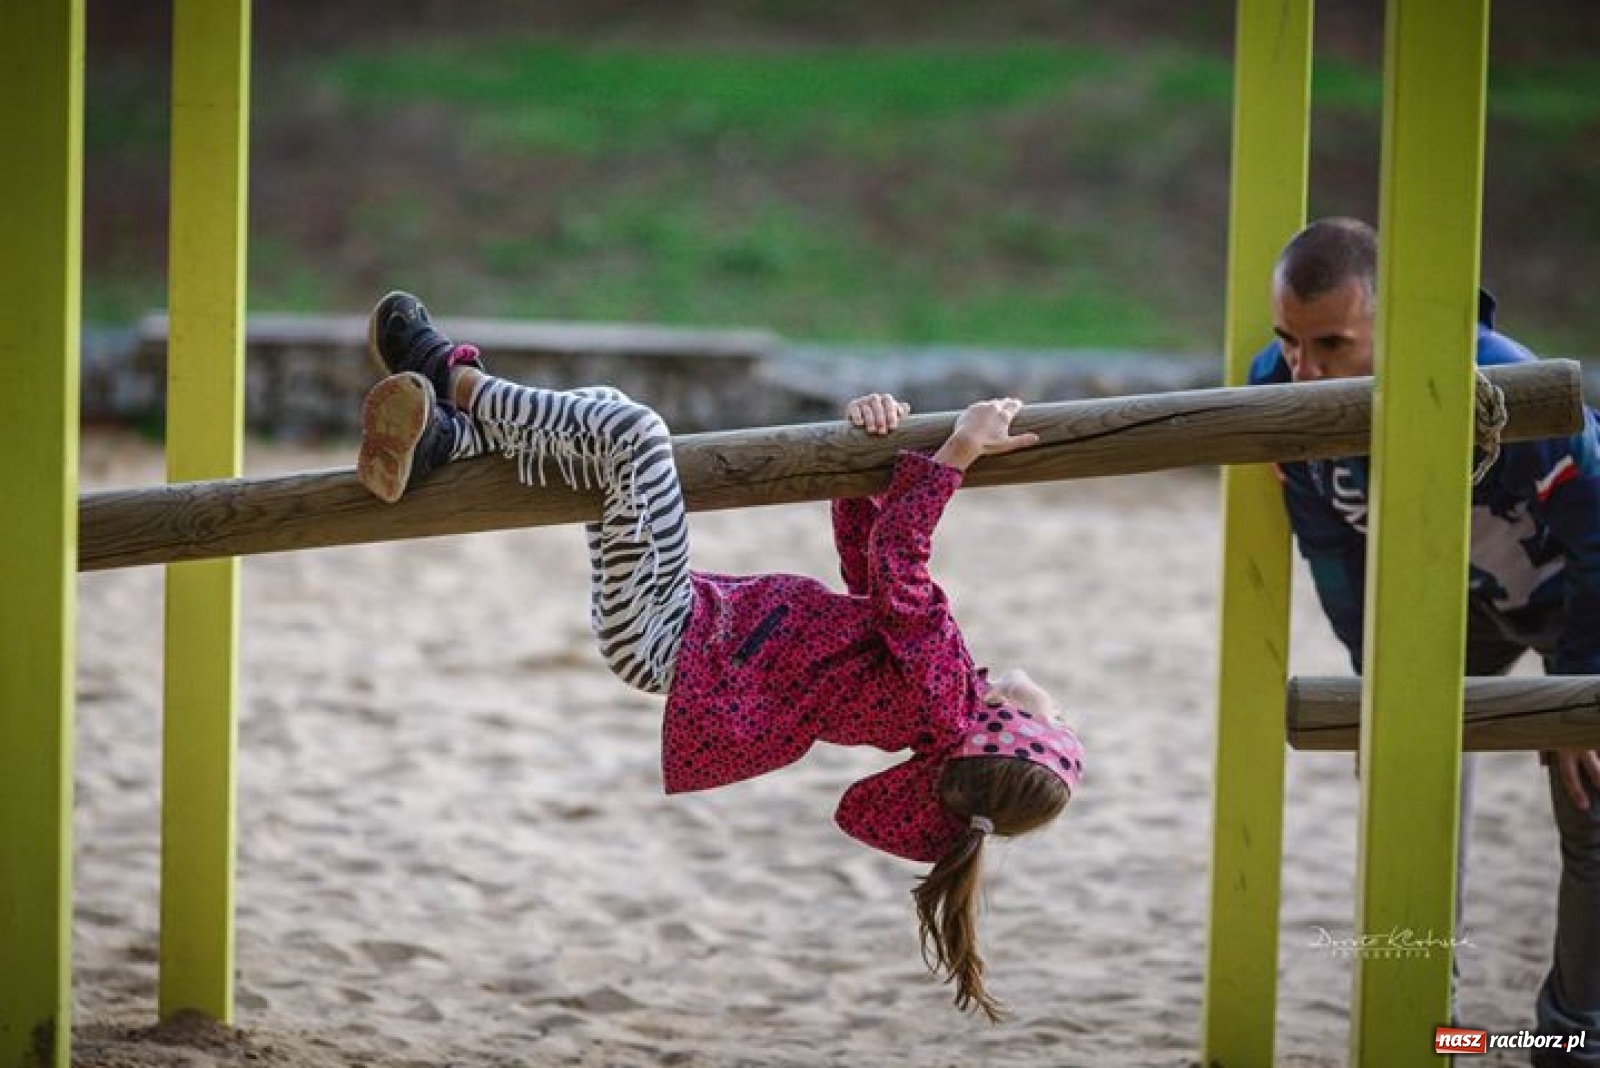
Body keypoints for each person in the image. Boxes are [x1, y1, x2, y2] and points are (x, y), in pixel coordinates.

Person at [352, 291, 1087, 1021]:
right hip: (668, 629)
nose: (1061, 710)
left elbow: (901, 557)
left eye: (1059, 725)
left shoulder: (945, 697)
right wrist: (873, 449)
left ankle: (448, 373)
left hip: (667, 627)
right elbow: (871, 571)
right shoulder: (932, 698)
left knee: (633, 432)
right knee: (603, 414)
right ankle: (445, 445)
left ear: (1009, 728)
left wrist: (961, 448)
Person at [1250, 217, 1600, 1064]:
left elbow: (1599, 536)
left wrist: (1583, 691)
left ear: (1397, 318)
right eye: (1290, 341)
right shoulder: (1280, 391)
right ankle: (1433, 1028)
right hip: (1451, 601)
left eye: (1332, 344)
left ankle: (1572, 1039)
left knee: (1593, 800)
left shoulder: (1506, 387)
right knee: (1409, 782)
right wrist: (1375, 680)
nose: (1304, 370)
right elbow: (1331, 554)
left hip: (1575, 595)